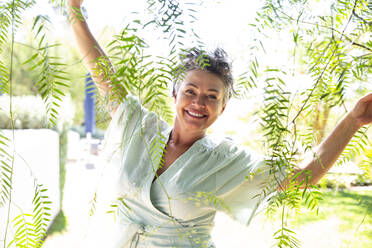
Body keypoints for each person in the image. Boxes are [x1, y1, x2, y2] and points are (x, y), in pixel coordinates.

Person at [68, 1, 372, 247]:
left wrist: (353, 120)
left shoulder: (226, 160)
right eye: (190, 91)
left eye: (211, 96)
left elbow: (301, 178)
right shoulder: (141, 128)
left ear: (222, 108)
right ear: (175, 95)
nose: (199, 102)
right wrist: (74, 11)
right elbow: (103, 73)